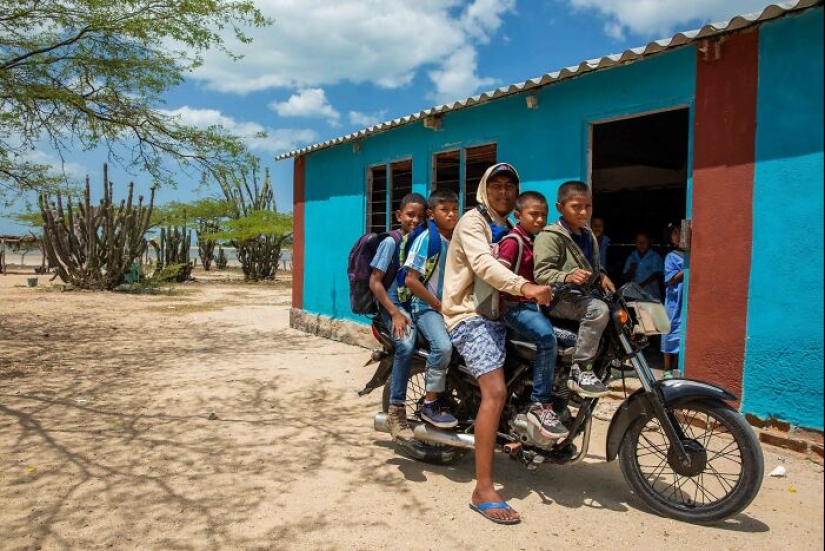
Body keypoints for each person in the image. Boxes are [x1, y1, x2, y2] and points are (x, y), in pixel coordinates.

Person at [442, 162, 552, 525]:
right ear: (484, 189)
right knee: (495, 392)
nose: (503, 192)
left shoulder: (513, 227)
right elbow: (484, 265)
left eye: (510, 186)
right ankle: (483, 489)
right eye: (497, 185)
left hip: (502, 312)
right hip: (469, 315)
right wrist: (525, 287)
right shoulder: (473, 222)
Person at [533, 180, 616, 399]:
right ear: (560, 208)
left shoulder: (588, 235)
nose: (583, 212)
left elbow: (593, 266)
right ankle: (581, 369)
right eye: (576, 206)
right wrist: (567, 276)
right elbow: (541, 273)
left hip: (581, 297)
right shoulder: (550, 236)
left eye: (587, 206)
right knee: (598, 310)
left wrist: (602, 274)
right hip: (558, 299)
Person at [497, 191, 568, 439]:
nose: (539, 220)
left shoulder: (533, 240)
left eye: (543, 215)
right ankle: (540, 403)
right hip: (512, 308)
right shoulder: (513, 242)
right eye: (533, 214)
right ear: (518, 215)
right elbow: (500, 278)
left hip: (529, 307)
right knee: (547, 339)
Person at [369, 193, 427, 441]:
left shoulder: (422, 241)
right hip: (392, 305)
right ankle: (396, 410)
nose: (415, 220)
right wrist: (394, 313)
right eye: (410, 215)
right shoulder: (391, 243)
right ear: (399, 215)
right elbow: (375, 281)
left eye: (421, 216)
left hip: (413, 303)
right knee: (406, 344)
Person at [403, 189, 460, 429]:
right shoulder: (427, 239)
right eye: (444, 210)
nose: (451, 215)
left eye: (455, 210)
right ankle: (430, 403)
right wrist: (437, 305)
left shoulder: (458, 239)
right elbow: (411, 280)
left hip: (451, 307)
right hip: (426, 306)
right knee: (443, 346)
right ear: (431, 214)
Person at [661, 222, 685, 379]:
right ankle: (667, 369)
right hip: (674, 301)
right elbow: (670, 280)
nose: (677, 235)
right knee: (669, 330)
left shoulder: (689, 255)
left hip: (684, 301)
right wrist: (687, 270)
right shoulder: (671, 256)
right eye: (674, 233)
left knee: (680, 333)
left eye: (680, 232)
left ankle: (677, 367)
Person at [622, 232, 664, 300]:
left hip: (652, 295)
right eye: (639, 242)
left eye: (644, 242)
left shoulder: (655, 256)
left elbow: (656, 274)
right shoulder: (631, 257)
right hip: (635, 296)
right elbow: (625, 276)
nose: (642, 244)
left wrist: (642, 285)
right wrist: (631, 270)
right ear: (635, 242)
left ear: (649, 242)